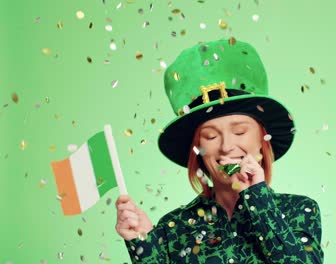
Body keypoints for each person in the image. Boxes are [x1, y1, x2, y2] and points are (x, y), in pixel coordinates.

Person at [115, 38, 324, 263]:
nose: (226, 146)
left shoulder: (299, 211)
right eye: (211, 136)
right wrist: (144, 246)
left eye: (240, 131)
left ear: (262, 139)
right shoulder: (174, 228)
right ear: (198, 149)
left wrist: (257, 198)